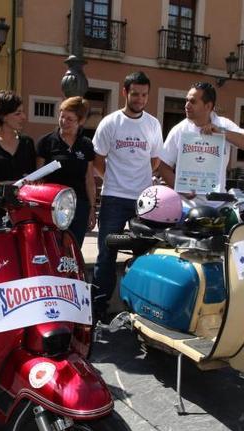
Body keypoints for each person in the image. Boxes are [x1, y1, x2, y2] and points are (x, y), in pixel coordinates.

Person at [90, 71, 163, 323]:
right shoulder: (110, 123)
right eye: (135, 94)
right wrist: (114, 178)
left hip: (144, 200)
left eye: (144, 95)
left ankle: (140, 308)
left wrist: (138, 180)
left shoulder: (153, 124)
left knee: (145, 252)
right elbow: (98, 158)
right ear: (125, 93)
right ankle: (99, 309)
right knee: (106, 252)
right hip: (113, 198)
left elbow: (155, 160)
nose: (140, 99)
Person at [158, 82, 244, 193]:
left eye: (192, 101)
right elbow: (163, 167)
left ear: (208, 106)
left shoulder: (224, 124)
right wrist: (183, 191)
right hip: (187, 206)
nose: (187, 105)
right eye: (186, 100)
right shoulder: (179, 129)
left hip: (217, 204)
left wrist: (222, 132)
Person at [36, 96, 97, 244]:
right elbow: (38, 178)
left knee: (73, 250)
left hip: (79, 206)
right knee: (52, 249)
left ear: (80, 121)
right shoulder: (46, 142)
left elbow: (89, 179)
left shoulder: (86, 144)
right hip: (53, 207)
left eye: (70, 119)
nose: (64, 122)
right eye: (62, 116)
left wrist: (92, 208)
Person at [0, 90, 36, 230]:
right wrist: (10, 186)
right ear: (3, 116)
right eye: (18, 113)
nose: (24, 117)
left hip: (22, 213)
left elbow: (32, 177)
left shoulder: (27, 142)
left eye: (23, 112)